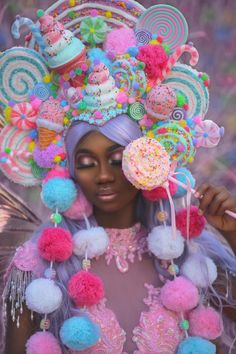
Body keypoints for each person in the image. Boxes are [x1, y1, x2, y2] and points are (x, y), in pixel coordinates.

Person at [1, 1, 236, 353]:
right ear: (67, 171)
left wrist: (232, 235)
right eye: (86, 162)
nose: (104, 176)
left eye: (117, 158)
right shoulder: (36, 267)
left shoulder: (192, 256)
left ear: (147, 158)